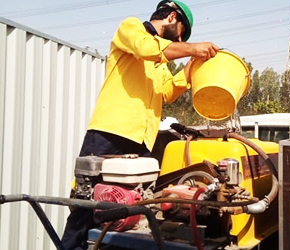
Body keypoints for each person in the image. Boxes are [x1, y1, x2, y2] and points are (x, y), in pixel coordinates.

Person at [61, 1, 219, 249]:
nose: (178, 43)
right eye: (180, 35)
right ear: (172, 17)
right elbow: (146, 48)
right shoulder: (131, 28)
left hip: (141, 142)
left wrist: (190, 68)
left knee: (133, 209)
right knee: (85, 207)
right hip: (110, 132)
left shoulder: (160, 60)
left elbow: (167, 91)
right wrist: (190, 49)